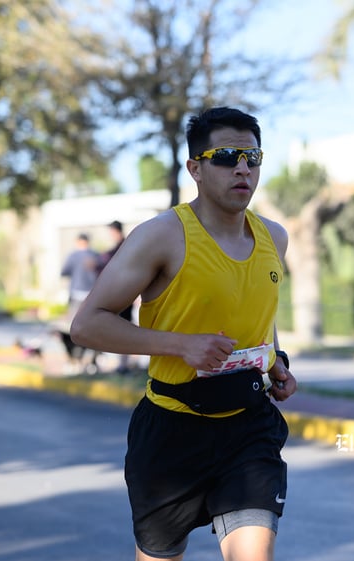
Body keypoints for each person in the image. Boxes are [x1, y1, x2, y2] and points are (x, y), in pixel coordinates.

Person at [71, 107, 297, 561]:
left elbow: (257, 313)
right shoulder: (161, 236)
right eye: (227, 156)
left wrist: (276, 362)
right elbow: (87, 324)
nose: (243, 168)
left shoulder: (275, 237)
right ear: (195, 167)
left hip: (248, 426)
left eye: (253, 157)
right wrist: (180, 344)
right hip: (171, 432)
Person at [97, 220, 135, 373]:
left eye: (111, 231)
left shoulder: (124, 246)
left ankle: (123, 364)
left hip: (125, 294)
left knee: (124, 328)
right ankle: (121, 363)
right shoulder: (117, 248)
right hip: (118, 293)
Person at [60, 232, 99, 319]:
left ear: (78, 242)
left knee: (75, 319)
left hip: (76, 291)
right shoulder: (95, 255)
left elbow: (64, 272)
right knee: (90, 319)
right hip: (92, 292)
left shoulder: (73, 256)